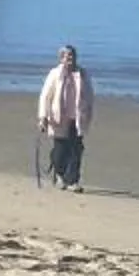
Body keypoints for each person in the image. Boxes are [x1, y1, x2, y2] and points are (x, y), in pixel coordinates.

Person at [36, 44, 95, 192]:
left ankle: (72, 181)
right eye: (66, 56)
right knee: (60, 151)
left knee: (76, 149)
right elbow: (45, 96)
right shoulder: (55, 74)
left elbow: (89, 95)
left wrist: (88, 113)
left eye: (72, 55)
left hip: (77, 118)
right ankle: (60, 174)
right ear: (61, 58)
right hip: (58, 118)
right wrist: (43, 117)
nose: (70, 58)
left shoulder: (82, 73)